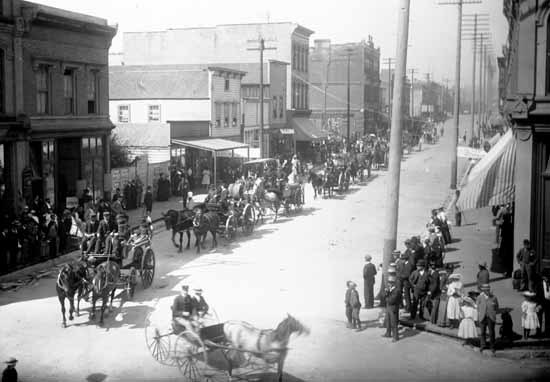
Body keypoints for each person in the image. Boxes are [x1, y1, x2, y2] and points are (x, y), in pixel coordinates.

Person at [477, 283, 499, 354]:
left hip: (490, 317)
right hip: (482, 316)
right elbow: (477, 307)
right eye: (485, 290)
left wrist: (493, 313)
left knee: (491, 332)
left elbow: (496, 307)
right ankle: (483, 345)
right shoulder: (480, 297)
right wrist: (480, 314)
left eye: (488, 290)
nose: (487, 291)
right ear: (483, 291)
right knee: (482, 332)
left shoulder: (494, 297)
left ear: (489, 290)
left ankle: (492, 346)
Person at [383, 275, 401, 342]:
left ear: (393, 283)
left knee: (394, 322)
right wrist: (386, 293)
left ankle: (395, 336)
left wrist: (387, 296)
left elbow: (391, 300)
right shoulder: (389, 289)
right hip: (388, 307)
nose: (389, 284)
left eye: (390, 282)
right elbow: (383, 296)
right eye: (388, 282)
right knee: (388, 321)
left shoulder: (397, 290)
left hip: (393, 308)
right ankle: (388, 333)